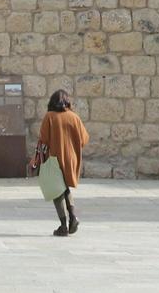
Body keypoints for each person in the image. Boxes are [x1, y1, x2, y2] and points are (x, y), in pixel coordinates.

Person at [33, 89, 89, 236]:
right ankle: (73, 217)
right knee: (65, 188)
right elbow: (84, 139)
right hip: (71, 158)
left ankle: (63, 225)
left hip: (54, 158)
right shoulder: (74, 117)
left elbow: (43, 139)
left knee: (57, 190)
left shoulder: (49, 117)